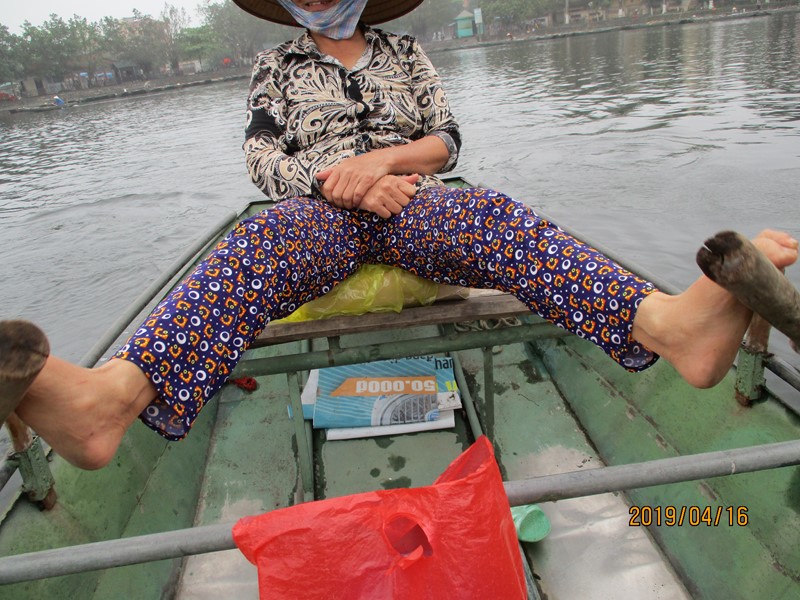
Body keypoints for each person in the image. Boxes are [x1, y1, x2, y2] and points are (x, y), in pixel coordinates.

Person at [2, 0, 798, 471]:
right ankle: (109, 401)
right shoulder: (275, 65)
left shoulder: (406, 51)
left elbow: (447, 142)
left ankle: (668, 326)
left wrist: (379, 164)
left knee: (495, 218)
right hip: (319, 210)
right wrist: (334, 181)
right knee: (250, 250)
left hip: (414, 199)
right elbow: (260, 157)